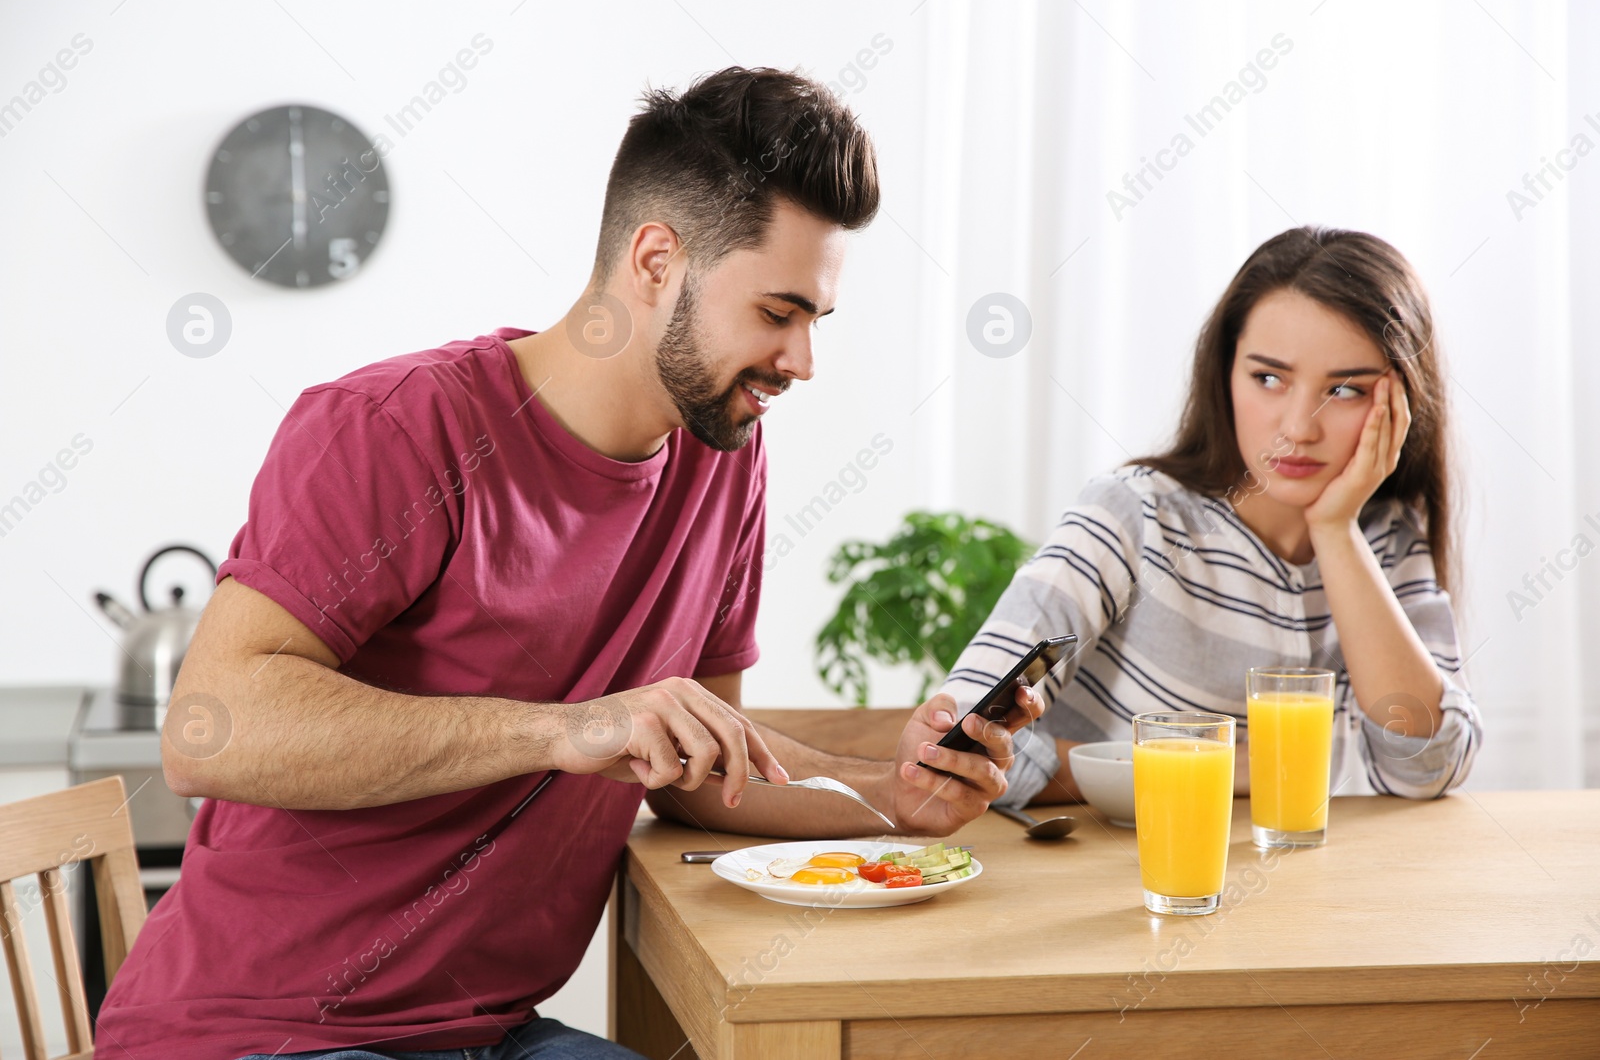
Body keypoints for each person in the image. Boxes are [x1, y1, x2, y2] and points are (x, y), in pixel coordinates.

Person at [93, 67, 1043, 1059]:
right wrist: (571, 728)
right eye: (777, 312)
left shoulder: (721, 454)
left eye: (816, 320)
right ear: (655, 260)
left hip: (495, 1034)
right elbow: (207, 733)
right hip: (257, 1032)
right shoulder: (397, 429)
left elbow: (693, 769)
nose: (803, 360)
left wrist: (892, 797)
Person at [944, 227, 1482, 809]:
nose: (1299, 427)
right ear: (1224, 374)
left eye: (1346, 390)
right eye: (1268, 379)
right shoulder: (1135, 514)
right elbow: (967, 745)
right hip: (1123, 883)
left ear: (1400, 402)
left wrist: (1335, 531)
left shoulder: (1385, 537)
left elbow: (1427, 766)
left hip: (1302, 889)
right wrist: (1235, 766)